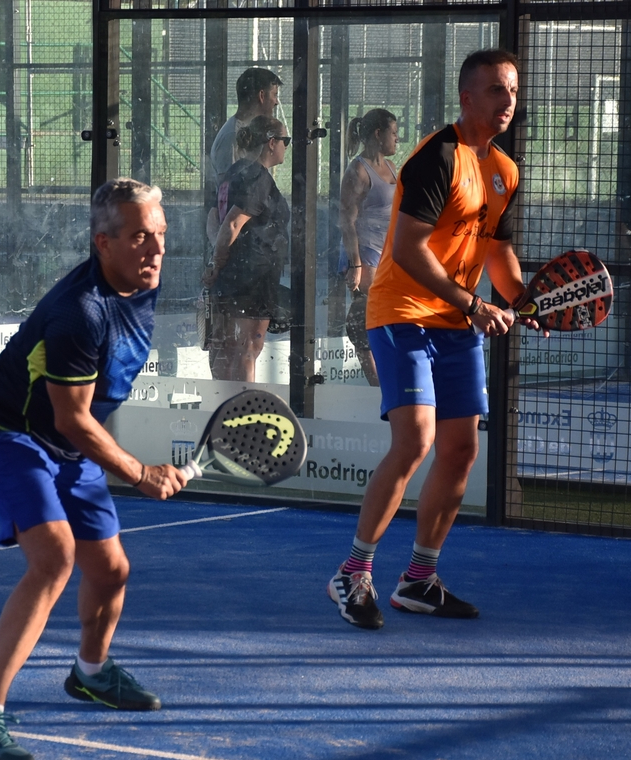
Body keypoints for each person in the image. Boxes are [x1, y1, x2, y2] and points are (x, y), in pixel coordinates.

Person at [0, 178, 186, 760]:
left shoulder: (140, 281)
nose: (156, 248)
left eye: (160, 234)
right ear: (103, 243)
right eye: (140, 237)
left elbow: (78, 423)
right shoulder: (81, 312)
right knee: (54, 559)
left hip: (64, 446)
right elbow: (72, 418)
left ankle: (91, 671)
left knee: (111, 569)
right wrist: (140, 472)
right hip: (8, 436)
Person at [327, 49, 543, 630]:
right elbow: (405, 250)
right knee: (416, 439)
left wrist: (521, 299)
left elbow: (496, 251)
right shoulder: (436, 158)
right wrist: (475, 305)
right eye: (496, 90)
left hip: (455, 323)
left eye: (513, 91)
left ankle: (419, 580)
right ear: (467, 98)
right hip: (401, 312)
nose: (508, 101)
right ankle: (353, 572)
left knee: (461, 449)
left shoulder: (504, 170)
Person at [202, 68, 283, 370]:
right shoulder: (232, 143)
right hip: (240, 264)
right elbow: (225, 211)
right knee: (235, 346)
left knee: (238, 346)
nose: (276, 102)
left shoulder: (251, 143)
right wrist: (220, 258)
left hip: (246, 260)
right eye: (274, 95)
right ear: (261, 95)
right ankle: (234, 397)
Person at [338, 108, 399, 387]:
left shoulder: (392, 167)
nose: (397, 139)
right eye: (393, 133)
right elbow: (346, 220)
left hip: (388, 255)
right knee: (367, 323)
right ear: (378, 134)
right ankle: (378, 388)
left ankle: (386, 385)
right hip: (366, 254)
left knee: (386, 320)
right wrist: (355, 264)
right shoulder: (358, 170)